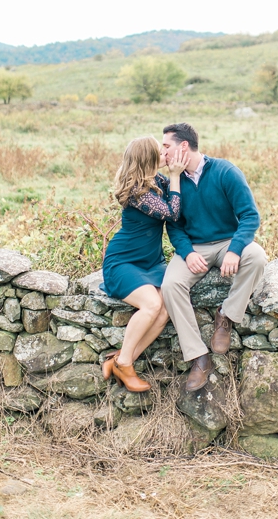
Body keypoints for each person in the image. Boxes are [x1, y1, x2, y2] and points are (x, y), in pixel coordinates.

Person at [159, 122, 268, 391]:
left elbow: (250, 216)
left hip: (228, 241)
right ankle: (199, 357)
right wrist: (186, 252)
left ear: (183, 146)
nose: (162, 153)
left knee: (256, 257)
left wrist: (234, 249)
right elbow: (173, 225)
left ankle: (227, 317)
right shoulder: (173, 182)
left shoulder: (225, 171)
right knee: (171, 286)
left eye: (166, 147)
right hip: (195, 247)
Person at [101, 136, 189, 392]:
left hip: (150, 262)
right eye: (159, 150)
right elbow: (172, 212)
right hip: (124, 261)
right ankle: (126, 365)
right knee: (152, 305)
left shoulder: (157, 181)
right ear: (148, 159)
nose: (164, 152)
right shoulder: (137, 191)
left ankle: (120, 360)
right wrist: (174, 177)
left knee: (164, 310)